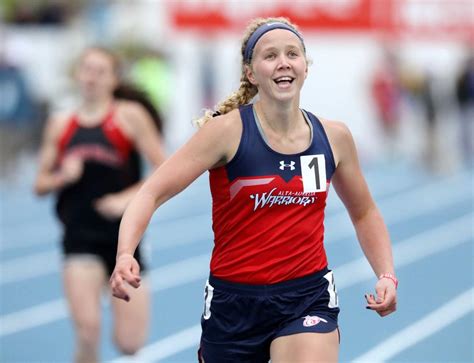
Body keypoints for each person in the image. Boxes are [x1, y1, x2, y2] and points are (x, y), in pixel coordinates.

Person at [110, 17, 398, 363]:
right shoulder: (226, 132)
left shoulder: (333, 138)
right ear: (251, 72)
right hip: (234, 306)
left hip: (306, 296)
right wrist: (126, 252)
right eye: (270, 55)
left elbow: (364, 210)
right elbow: (151, 192)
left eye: (292, 53)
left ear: (305, 66)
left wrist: (386, 274)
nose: (283, 62)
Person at [33, 46, 166, 363]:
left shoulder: (128, 116)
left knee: (129, 343)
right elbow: (39, 184)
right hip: (79, 238)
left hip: (125, 240)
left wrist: (125, 199)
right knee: (88, 331)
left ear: (113, 78)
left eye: (100, 71)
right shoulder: (61, 123)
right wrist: (61, 178)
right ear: (78, 74)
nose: (91, 77)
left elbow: (164, 169)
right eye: (87, 70)